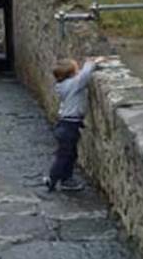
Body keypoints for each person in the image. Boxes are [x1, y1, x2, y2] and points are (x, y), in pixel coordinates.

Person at [43, 56, 100, 193]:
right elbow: (85, 76)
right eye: (77, 68)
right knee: (64, 155)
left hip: (66, 125)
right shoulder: (73, 85)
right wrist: (91, 62)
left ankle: (66, 180)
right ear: (71, 74)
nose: (79, 70)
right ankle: (53, 179)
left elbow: (80, 76)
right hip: (69, 127)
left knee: (71, 154)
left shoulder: (65, 84)